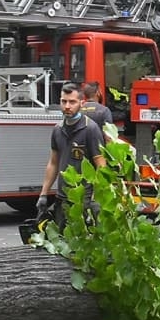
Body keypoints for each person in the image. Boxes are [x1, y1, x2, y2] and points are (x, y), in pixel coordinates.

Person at [37, 82, 107, 229]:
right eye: (64, 102)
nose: (67, 106)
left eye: (72, 102)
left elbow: (101, 165)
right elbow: (53, 163)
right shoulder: (58, 129)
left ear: (81, 103)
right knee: (62, 239)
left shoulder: (90, 129)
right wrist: (43, 194)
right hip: (62, 198)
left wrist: (95, 198)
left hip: (84, 199)